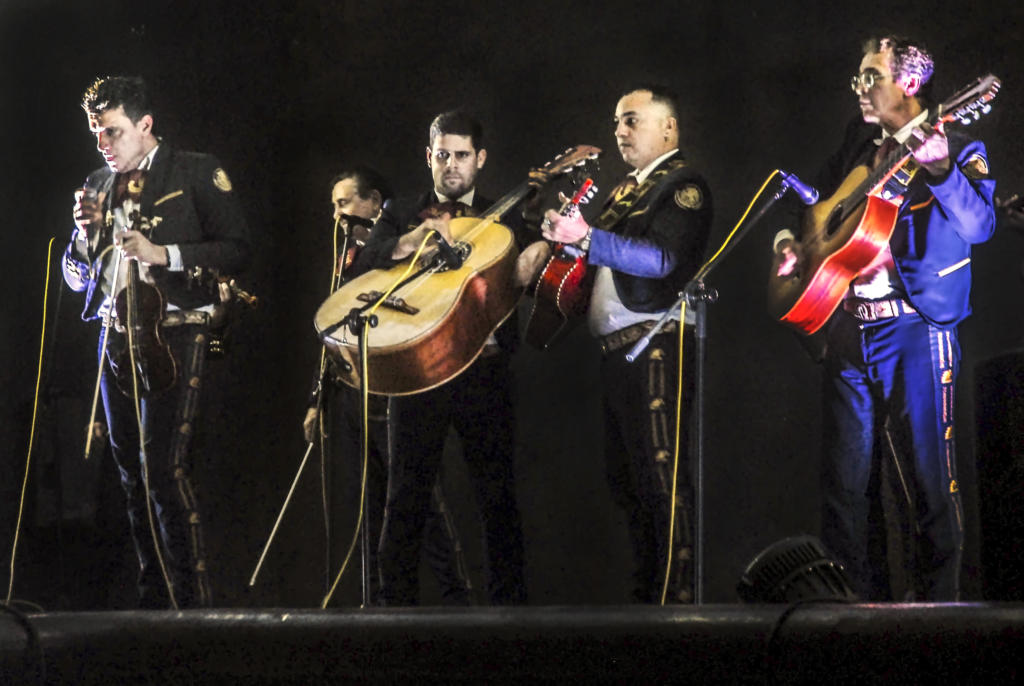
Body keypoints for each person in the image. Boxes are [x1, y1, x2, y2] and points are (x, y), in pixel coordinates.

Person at [774, 36, 996, 600]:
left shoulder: (961, 145)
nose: (860, 88)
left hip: (915, 328)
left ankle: (936, 624)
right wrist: (793, 241)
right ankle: (852, 622)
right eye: (858, 77)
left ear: (910, 84)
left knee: (927, 486)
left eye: (871, 76)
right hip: (849, 325)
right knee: (844, 492)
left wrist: (941, 169)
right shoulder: (859, 141)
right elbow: (815, 203)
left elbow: (979, 226)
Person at [63, 75, 251, 608]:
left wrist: (162, 252)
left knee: (164, 470)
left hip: (177, 328)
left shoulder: (193, 170)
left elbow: (237, 249)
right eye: (97, 133)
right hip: (114, 334)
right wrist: (82, 236)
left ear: (145, 126)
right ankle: (155, 604)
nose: (104, 145)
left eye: (114, 132)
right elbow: (76, 279)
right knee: (129, 478)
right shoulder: (96, 183)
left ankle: (193, 605)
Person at [354, 110, 536, 605]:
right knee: (404, 497)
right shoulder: (400, 209)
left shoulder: (509, 212)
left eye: (460, 156)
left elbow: (536, 268)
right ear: (428, 156)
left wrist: (539, 251)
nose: (450, 166)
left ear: (479, 159)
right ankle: (395, 616)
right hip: (420, 370)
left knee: (497, 497)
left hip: (485, 367)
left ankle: (510, 619)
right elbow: (363, 265)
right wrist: (407, 241)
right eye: (441, 155)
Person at [539, 86, 712, 603]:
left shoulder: (684, 185)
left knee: (662, 477)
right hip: (620, 350)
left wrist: (587, 238)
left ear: (669, 128)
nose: (619, 131)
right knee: (629, 482)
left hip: (655, 343)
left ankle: (676, 603)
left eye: (632, 120)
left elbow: (661, 259)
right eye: (617, 122)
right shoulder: (626, 191)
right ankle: (648, 602)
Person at [303, 165, 471, 604]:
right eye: (333, 207)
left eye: (345, 203)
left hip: (393, 390)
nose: (338, 215)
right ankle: (378, 599)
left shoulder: (398, 245)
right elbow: (333, 328)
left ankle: (457, 595)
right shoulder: (347, 255)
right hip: (354, 396)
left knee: (418, 497)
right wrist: (316, 399)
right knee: (369, 501)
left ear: (375, 203)